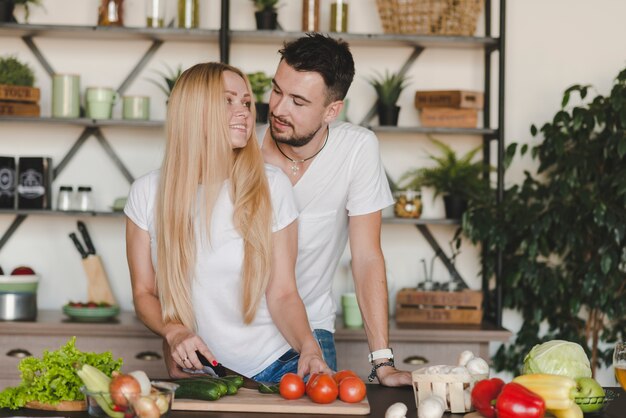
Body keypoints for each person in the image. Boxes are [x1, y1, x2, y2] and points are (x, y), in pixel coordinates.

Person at [125, 62, 331, 382]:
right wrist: (175, 334)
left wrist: (309, 348)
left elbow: (283, 293)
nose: (244, 112)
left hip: (278, 367)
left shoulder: (271, 186)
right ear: (194, 111)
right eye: (228, 100)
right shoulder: (147, 193)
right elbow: (144, 293)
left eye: (246, 102)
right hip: (203, 372)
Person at [259, 33, 412, 386]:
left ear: (331, 110)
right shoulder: (241, 146)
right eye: (277, 90)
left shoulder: (356, 149)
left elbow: (367, 257)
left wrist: (382, 362)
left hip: (311, 328)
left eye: (298, 101)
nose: (279, 109)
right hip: (234, 328)